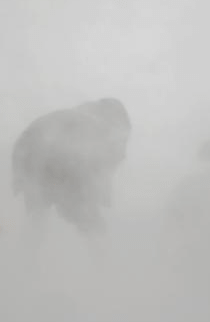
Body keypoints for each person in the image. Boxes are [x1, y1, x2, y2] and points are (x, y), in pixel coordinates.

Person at [11, 98, 131, 238]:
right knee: (94, 226)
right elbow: (100, 166)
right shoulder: (99, 129)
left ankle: (24, 257)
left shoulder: (71, 119)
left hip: (28, 156)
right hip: (55, 162)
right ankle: (104, 259)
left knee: (36, 216)